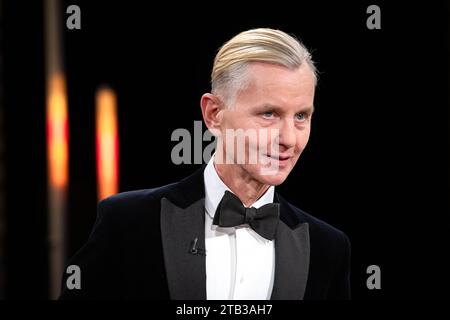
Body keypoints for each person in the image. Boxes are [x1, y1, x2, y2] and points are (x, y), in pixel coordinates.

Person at [60, 28, 351, 300]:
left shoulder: (328, 248)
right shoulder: (127, 222)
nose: (289, 138)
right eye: (269, 114)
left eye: (301, 116)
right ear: (213, 114)